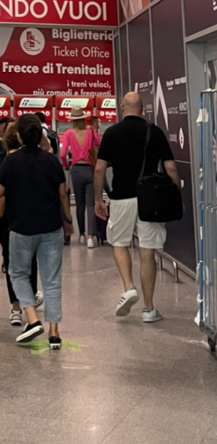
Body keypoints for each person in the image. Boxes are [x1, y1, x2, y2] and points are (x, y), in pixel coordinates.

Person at [0, 115, 73, 347]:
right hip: (51, 226)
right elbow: (63, 193)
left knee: (18, 273)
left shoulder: (11, 161)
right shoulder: (52, 160)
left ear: (19, 136)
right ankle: (54, 333)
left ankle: (32, 319)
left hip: (22, 227)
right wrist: (68, 219)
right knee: (52, 280)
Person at [94, 92, 180, 324]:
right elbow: (171, 168)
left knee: (119, 243)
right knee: (147, 250)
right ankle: (149, 309)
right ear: (143, 109)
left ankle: (129, 287)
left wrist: (98, 199)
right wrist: (175, 195)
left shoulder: (111, 133)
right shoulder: (154, 131)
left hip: (121, 198)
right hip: (150, 199)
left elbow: (100, 169)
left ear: (123, 108)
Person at [0, 121, 42, 326]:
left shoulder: (3, 158)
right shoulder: (35, 158)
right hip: (28, 215)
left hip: (8, 216)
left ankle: (16, 308)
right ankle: (27, 304)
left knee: (11, 262)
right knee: (29, 261)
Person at [61, 108, 100, 249]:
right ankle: (91, 237)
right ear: (84, 119)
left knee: (80, 204)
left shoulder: (69, 133)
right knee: (91, 204)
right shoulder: (92, 132)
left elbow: (63, 154)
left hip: (76, 170)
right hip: (90, 169)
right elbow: (99, 145)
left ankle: (82, 234)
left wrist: (66, 166)